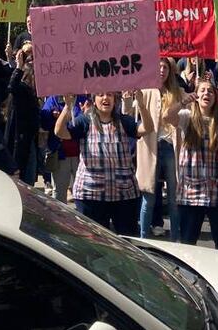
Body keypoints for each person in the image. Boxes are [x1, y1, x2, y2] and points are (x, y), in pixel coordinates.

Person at [55, 91, 154, 235]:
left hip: (124, 194)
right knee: (95, 242)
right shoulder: (85, 121)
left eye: (110, 95)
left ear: (115, 99)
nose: (105, 98)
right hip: (91, 195)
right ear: (94, 100)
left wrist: (141, 105)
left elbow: (147, 128)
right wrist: (67, 107)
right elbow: (59, 132)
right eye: (100, 95)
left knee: (126, 241)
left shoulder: (124, 121)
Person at [172, 79, 218, 250]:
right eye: (202, 90)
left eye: (210, 91)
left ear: (215, 97)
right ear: (196, 95)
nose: (206, 93)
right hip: (191, 193)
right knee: (188, 245)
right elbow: (167, 116)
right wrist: (182, 102)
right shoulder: (186, 116)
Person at [133, 57, 185, 241]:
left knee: (174, 197)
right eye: (159, 66)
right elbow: (130, 113)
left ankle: (176, 240)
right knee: (149, 196)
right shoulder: (145, 90)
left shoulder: (178, 92)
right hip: (150, 147)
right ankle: (144, 239)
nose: (162, 70)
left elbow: (190, 108)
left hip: (171, 146)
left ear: (170, 71)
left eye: (165, 67)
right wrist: (129, 98)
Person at [6, 44, 45, 184]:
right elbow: (12, 86)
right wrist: (18, 67)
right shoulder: (21, 88)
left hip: (31, 139)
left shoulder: (35, 92)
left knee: (29, 179)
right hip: (20, 139)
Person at [40, 95, 86, 203]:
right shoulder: (53, 100)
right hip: (60, 154)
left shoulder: (82, 99)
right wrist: (52, 116)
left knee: (83, 192)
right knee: (59, 193)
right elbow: (44, 123)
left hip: (81, 155)